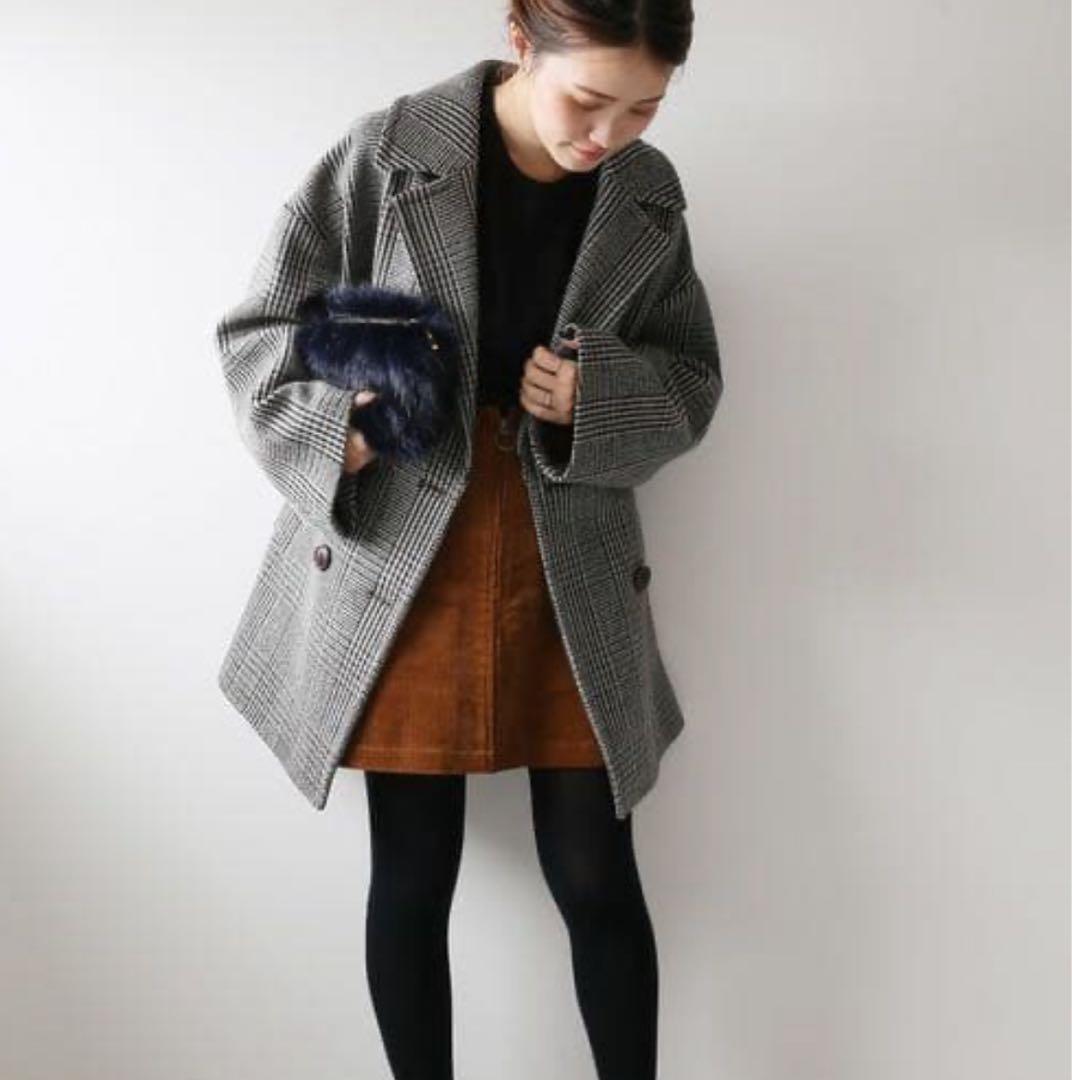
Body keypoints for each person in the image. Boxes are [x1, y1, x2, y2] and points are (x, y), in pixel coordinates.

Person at [215, 3, 721, 1077]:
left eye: (642, 109)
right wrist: (345, 431)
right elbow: (257, 331)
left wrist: (596, 398)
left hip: (567, 548)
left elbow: (691, 376)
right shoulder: (387, 153)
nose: (607, 135)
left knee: (596, 873)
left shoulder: (645, 192)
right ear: (521, 41)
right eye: (589, 100)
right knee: (413, 873)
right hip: (405, 548)